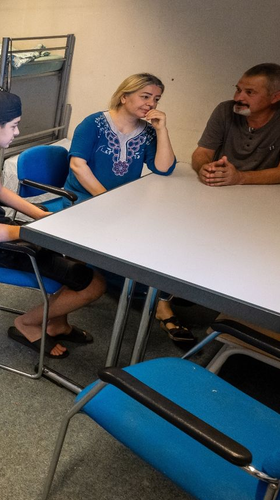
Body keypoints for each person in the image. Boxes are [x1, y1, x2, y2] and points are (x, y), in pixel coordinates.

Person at [0, 89, 107, 358]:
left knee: (76, 260)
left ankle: (57, 321)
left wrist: (41, 216)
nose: (17, 132)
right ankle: (26, 324)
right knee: (94, 284)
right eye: (14, 125)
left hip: (5, 236)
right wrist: (36, 232)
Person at [61, 74, 189, 342]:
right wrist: (106, 199)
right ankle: (152, 296)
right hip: (83, 200)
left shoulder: (145, 131)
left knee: (163, 229)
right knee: (135, 236)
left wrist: (161, 129)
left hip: (121, 202)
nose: (151, 103)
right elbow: (77, 166)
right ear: (124, 96)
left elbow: (164, 168)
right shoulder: (93, 123)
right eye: (145, 96)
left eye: (156, 99)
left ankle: (156, 294)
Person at [193, 63, 280, 187]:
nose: (238, 98)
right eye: (238, 90)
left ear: (276, 97)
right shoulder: (225, 109)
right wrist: (205, 168)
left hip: (273, 196)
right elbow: (202, 152)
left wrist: (239, 178)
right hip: (221, 190)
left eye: (249, 92)